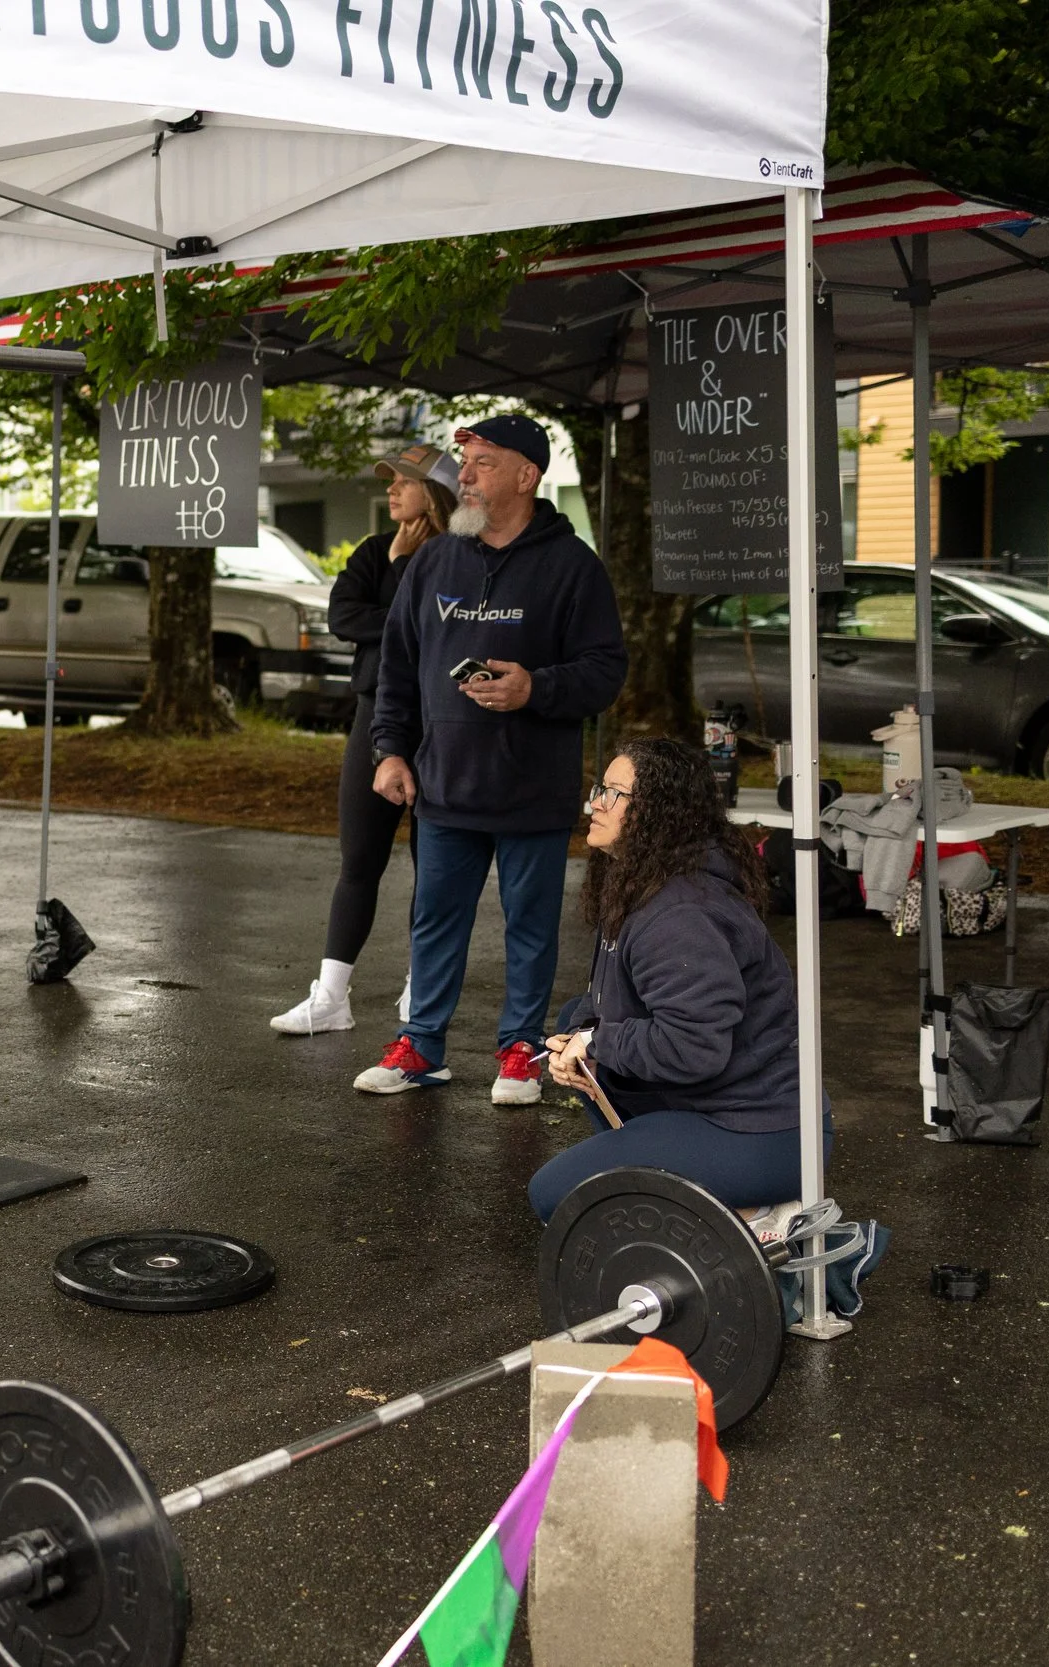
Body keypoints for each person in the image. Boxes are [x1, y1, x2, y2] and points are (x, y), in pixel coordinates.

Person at [359, 414, 627, 1102]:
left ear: (526, 475)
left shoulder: (573, 567)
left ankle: (520, 1049)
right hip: (444, 782)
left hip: (531, 788)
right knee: (434, 918)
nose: (464, 476)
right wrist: (390, 748)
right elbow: (397, 664)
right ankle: (421, 1046)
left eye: (481, 463)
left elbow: (605, 670)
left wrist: (535, 686)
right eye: (463, 461)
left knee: (532, 925)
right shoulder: (436, 561)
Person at [528, 739, 814, 1222]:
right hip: (711, 1105)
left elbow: (695, 1045)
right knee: (570, 1021)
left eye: (614, 794)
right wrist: (580, 1038)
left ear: (658, 812)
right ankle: (686, 1176)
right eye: (601, 788)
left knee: (559, 1196)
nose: (594, 803)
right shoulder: (639, 880)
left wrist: (596, 1044)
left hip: (760, 1131)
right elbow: (605, 998)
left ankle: (762, 1211)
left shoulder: (681, 913)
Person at [272, 443, 457, 1035]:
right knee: (359, 860)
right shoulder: (375, 550)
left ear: (434, 492)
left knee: (435, 866)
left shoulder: (460, 555)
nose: (391, 491)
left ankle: (418, 991)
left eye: (403, 482)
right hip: (376, 716)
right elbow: (342, 617)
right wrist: (399, 591)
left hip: (444, 722)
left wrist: (402, 581)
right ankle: (330, 997)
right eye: (391, 481)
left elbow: (436, 627)